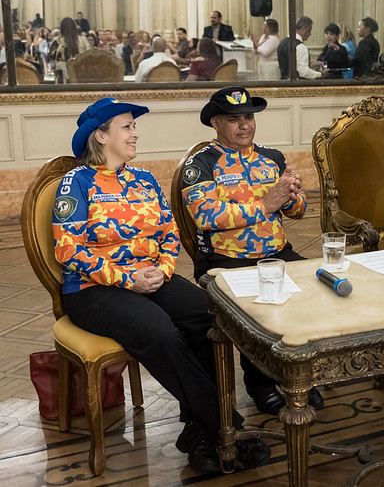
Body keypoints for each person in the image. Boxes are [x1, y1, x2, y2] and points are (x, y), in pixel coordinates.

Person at [52, 97, 270, 472]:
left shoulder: (144, 178)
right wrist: (127, 278)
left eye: (134, 127)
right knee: (162, 332)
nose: (135, 133)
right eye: (127, 127)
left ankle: (197, 429)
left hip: (150, 276)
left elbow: (169, 234)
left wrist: (163, 271)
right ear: (101, 135)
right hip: (92, 289)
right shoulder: (78, 182)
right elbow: (68, 252)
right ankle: (225, 428)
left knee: (209, 316)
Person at [180, 86, 325, 415]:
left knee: (316, 291)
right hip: (226, 260)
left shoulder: (271, 158)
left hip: (276, 253)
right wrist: (266, 202)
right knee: (256, 311)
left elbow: (297, 211)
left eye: (248, 117)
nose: (244, 125)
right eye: (234, 119)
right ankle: (259, 382)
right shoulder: (201, 164)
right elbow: (206, 216)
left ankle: (299, 376)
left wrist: (291, 195)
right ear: (216, 123)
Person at [51, 17, 91, 83]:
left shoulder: (57, 40)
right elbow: (88, 55)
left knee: (62, 91)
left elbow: (51, 56)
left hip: (61, 69)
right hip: (79, 69)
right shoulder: (83, 40)